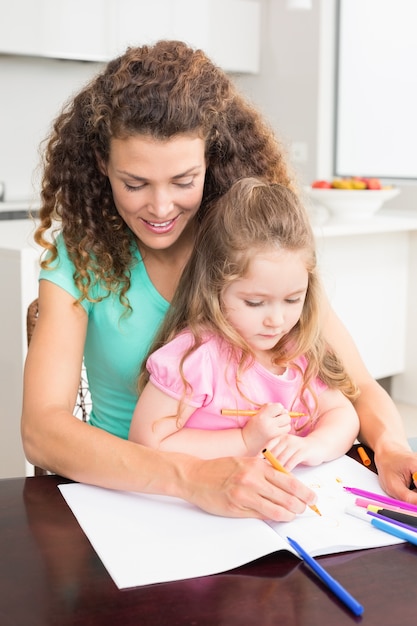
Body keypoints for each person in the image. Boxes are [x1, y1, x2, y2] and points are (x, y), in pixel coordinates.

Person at [21, 41, 417, 520]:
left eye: (184, 181)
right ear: (102, 165)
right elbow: (42, 430)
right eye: (135, 183)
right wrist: (189, 478)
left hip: (255, 493)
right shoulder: (80, 256)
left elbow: (355, 385)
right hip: (127, 497)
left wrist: (393, 447)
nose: (162, 208)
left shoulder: (245, 247)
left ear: (211, 159)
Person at [129, 178, 360, 467]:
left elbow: (342, 414)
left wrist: (314, 446)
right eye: (254, 303)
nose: (276, 321)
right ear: (215, 288)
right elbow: (147, 442)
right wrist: (245, 442)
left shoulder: (300, 348)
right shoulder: (195, 357)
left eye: (292, 300)